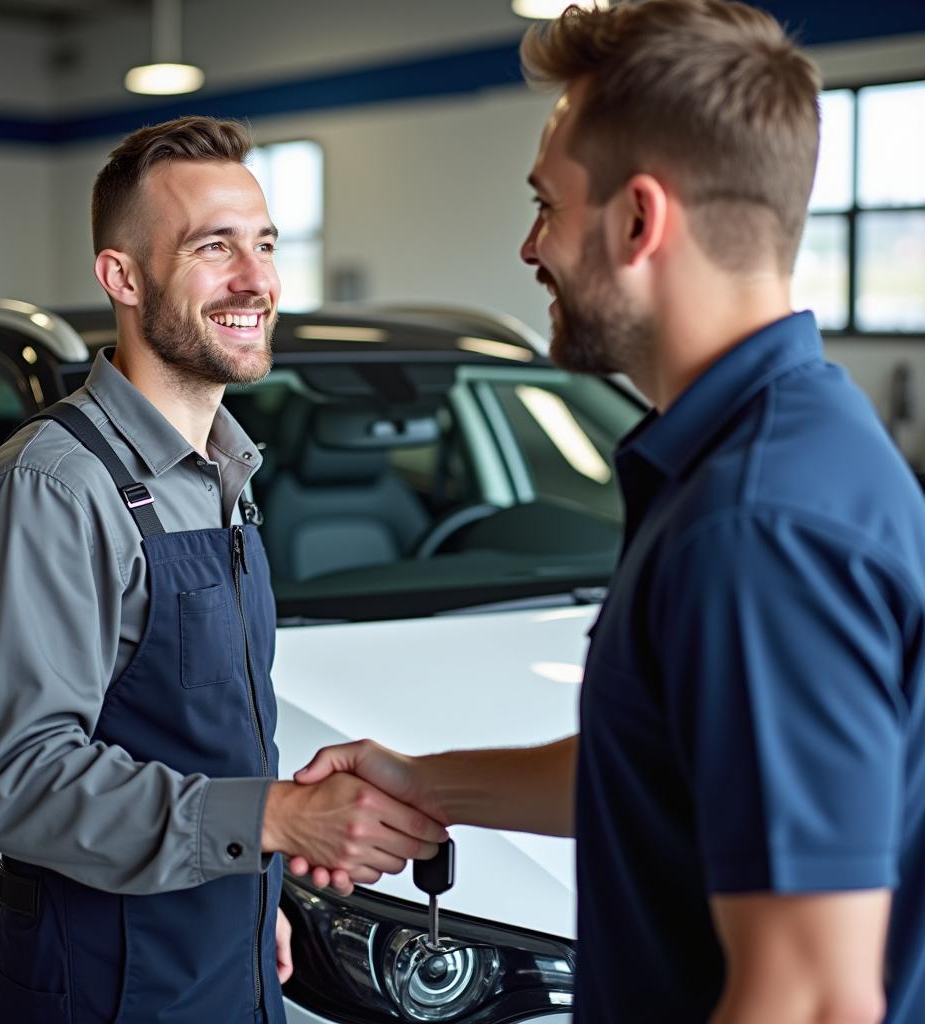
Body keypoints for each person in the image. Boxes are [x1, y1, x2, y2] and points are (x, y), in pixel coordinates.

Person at [289, 3, 925, 1022]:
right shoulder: (768, 447)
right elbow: (670, 768)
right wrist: (420, 780)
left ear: (638, 221)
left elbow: (810, 997)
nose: (530, 246)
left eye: (547, 204)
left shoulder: (757, 525)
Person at [0, 116, 446, 1024]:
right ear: (122, 277)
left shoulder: (226, 472)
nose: (257, 280)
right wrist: (278, 819)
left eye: (263, 244)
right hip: (106, 984)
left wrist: (255, 900)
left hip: (221, 944)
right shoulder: (54, 491)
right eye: (215, 248)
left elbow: (198, 731)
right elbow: (24, 781)